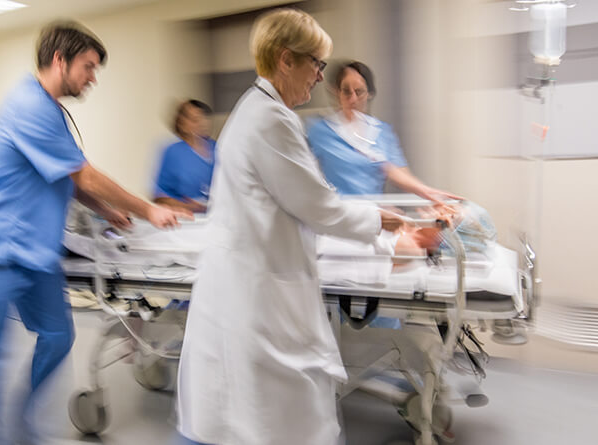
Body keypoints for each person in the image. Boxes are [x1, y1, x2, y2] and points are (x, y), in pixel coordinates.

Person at [175, 9, 407, 445]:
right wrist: (382, 221)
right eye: (316, 64)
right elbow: (320, 207)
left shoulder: (257, 110)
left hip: (254, 286)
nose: (320, 76)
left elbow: (305, 199)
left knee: (249, 420)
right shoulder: (271, 119)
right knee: (273, 420)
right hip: (258, 297)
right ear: (286, 60)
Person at [0, 21, 190, 445]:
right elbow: (84, 174)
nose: (92, 78)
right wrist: (147, 210)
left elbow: (67, 176)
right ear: (59, 61)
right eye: (88, 66)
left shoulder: (52, 111)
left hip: (34, 250)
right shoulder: (28, 105)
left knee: (58, 336)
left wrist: (108, 211)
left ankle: (22, 420)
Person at [307, 61, 461, 204]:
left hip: (375, 215)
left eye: (359, 92)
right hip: (339, 215)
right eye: (347, 92)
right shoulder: (321, 132)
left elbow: (397, 172)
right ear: (337, 92)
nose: (353, 99)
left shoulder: (381, 132)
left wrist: (427, 194)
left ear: (369, 94)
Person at [152, 99, 216, 213]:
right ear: (182, 124)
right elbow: (159, 196)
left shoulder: (218, 149)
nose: (201, 123)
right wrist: (189, 207)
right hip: (188, 216)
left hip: (218, 216)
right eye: (195, 120)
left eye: (203, 118)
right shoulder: (173, 152)